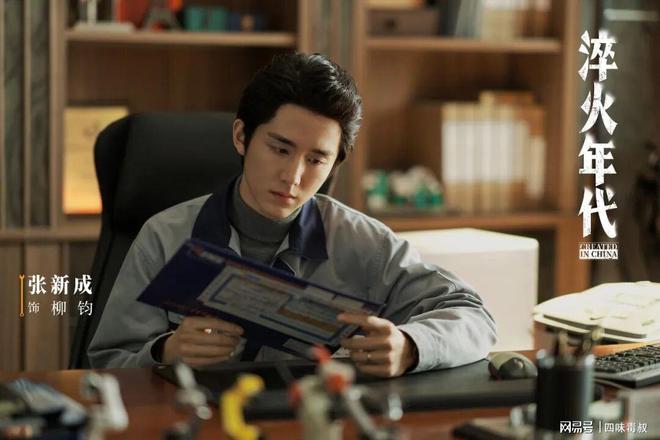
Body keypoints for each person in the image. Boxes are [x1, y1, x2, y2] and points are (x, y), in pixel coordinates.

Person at [88, 52, 496, 377]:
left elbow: (474, 317)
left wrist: (410, 347)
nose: (293, 176)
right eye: (280, 149)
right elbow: (107, 363)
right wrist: (166, 351)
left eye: (316, 159)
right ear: (241, 137)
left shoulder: (365, 245)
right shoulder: (164, 236)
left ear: (335, 164)